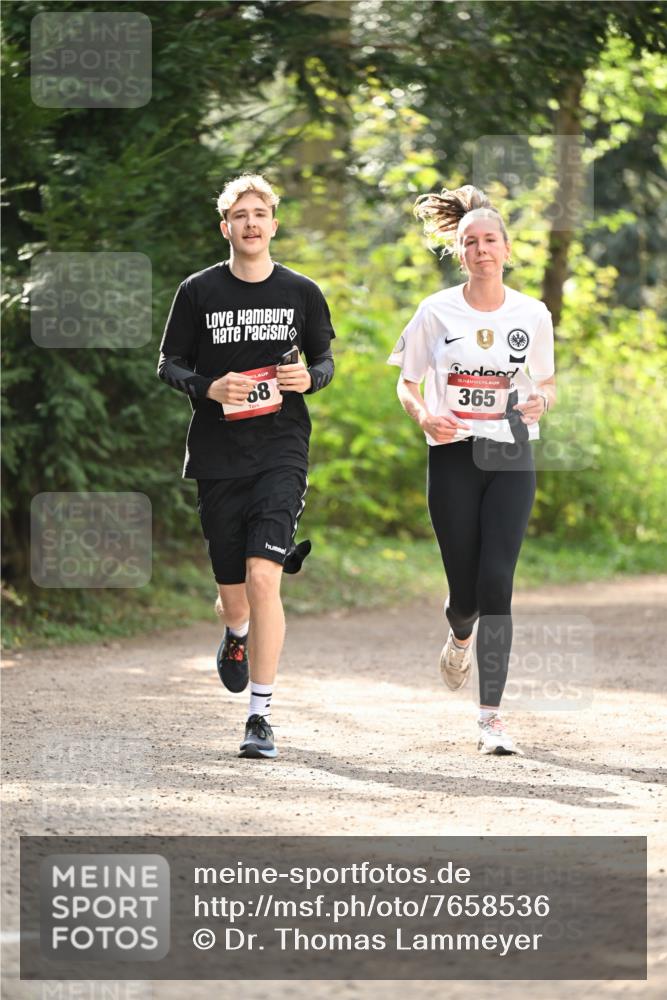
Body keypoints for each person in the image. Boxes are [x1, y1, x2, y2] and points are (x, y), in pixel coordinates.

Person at [158, 174, 335, 760]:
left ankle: (260, 716)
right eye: (241, 214)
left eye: (261, 212)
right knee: (235, 596)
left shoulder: (301, 291)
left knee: (266, 577)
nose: (251, 222)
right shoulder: (198, 291)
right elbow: (168, 363)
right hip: (217, 455)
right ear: (225, 227)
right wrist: (211, 388)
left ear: (274, 224)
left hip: (282, 448)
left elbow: (324, 360)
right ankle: (235, 634)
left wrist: (310, 377)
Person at [388, 184, 555, 755]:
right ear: (460, 252)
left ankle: (491, 719)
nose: (481, 250)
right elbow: (406, 383)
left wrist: (542, 401)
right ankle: (459, 633)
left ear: (507, 248)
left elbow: (546, 381)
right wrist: (423, 417)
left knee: (497, 581)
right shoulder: (435, 311)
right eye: (470, 242)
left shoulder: (532, 313)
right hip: (454, 452)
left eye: (490, 240)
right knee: (466, 594)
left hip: (511, 451)